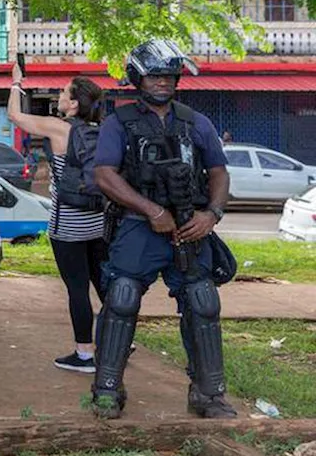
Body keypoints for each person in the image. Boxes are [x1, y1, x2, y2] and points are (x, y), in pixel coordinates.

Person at [89, 40, 236, 420]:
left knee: (203, 302)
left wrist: (212, 214)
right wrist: (151, 210)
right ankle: (107, 389)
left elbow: (219, 172)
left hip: (190, 227)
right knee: (121, 298)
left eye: (169, 76)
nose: (163, 83)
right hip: (139, 228)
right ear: (138, 78)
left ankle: (209, 394)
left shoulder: (196, 123)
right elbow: (104, 175)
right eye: (155, 75)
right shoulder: (117, 123)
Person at [7, 69, 108, 373]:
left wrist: (15, 82)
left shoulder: (59, 128)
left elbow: (14, 116)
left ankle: (84, 354)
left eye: (65, 92)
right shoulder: (102, 130)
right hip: (99, 221)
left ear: (75, 104)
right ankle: (118, 339)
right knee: (105, 285)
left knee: (77, 289)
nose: (60, 96)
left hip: (69, 224)